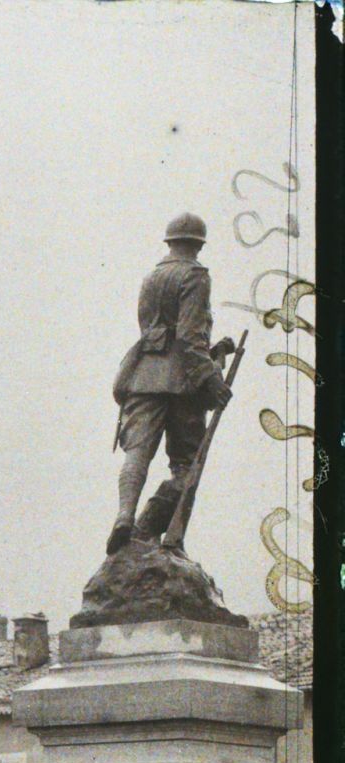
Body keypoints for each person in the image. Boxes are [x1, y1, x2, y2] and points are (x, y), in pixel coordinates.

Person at [110, 213, 237, 554]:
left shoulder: (152, 276)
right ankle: (149, 526)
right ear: (198, 244)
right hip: (183, 383)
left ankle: (125, 516)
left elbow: (161, 334)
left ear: (169, 242)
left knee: (137, 453)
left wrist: (217, 352)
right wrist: (212, 379)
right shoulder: (195, 276)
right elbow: (187, 337)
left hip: (143, 376)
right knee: (186, 464)